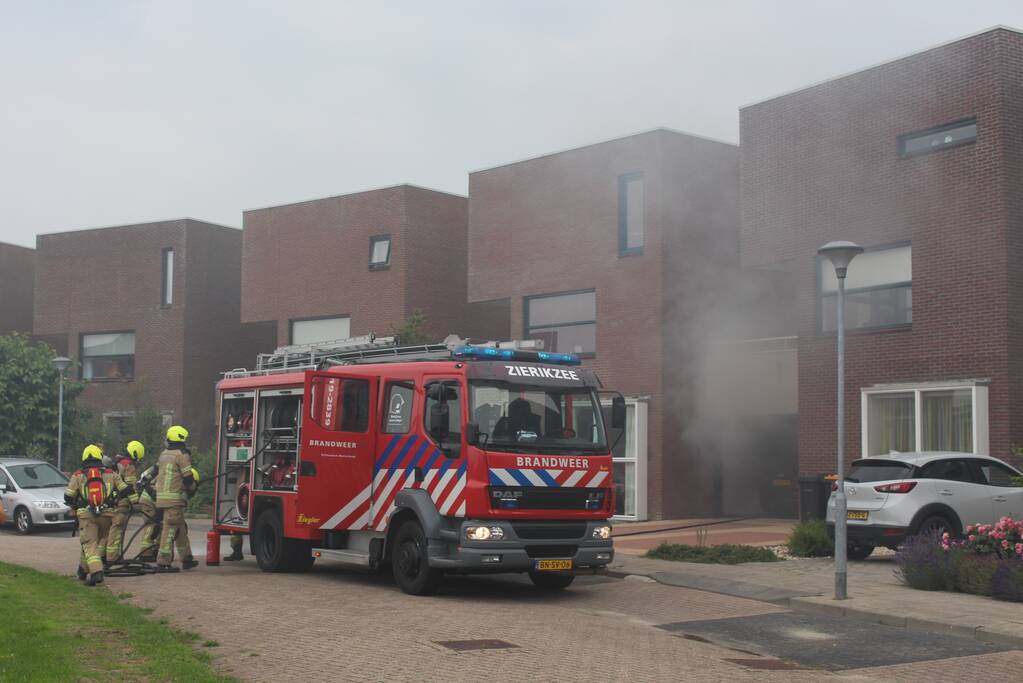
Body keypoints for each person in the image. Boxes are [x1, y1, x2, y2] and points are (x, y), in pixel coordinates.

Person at [64, 444, 130, 586]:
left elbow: (68, 496)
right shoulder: (110, 473)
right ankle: (82, 570)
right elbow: (125, 490)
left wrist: (75, 502)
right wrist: (115, 498)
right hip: (107, 515)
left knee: (89, 543)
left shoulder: (78, 474)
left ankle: (96, 573)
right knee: (96, 542)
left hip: (87, 515)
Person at [154, 426, 199, 571]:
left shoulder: (164, 454)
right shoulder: (181, 455)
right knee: (169, 529)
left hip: (161, 497)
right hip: (174, 499)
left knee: (180, 529)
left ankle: (187, 558)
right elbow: (187, 476)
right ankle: (163, 562)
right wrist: (193, 488)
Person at [105, 440, 143, 565]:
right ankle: (112, 557)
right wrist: (135, 503)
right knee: (117, 528)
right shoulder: (129, 465)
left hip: (110, 500)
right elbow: (130, 486)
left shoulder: (117, 462)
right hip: (121, 502)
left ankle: (103, 555)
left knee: (108, 528)